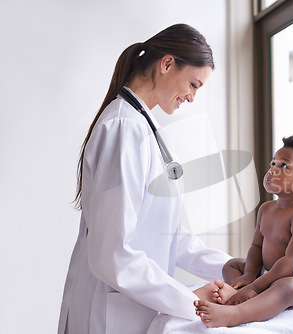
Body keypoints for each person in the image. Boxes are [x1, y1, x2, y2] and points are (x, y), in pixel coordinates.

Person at [58, 24, 231, 334]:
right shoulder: (124, 128)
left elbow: (170, 235)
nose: (191, 97)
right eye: (193, 84)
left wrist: (232, 268)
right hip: (105, 315)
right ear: (166, 64)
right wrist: (190, 300)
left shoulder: (146, 130)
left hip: (132, 309)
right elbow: (111, 254)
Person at [194, 133, 293, 327]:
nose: (272, 171)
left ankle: (235, 313)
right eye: (273, 164)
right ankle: (238, 294)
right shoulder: (267, 209)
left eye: (284, 166)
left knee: (286, 287)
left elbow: (291, 261)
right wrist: (250, 275)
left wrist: (255, 286)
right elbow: (256, 246)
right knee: (232, 265)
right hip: (269, 272)